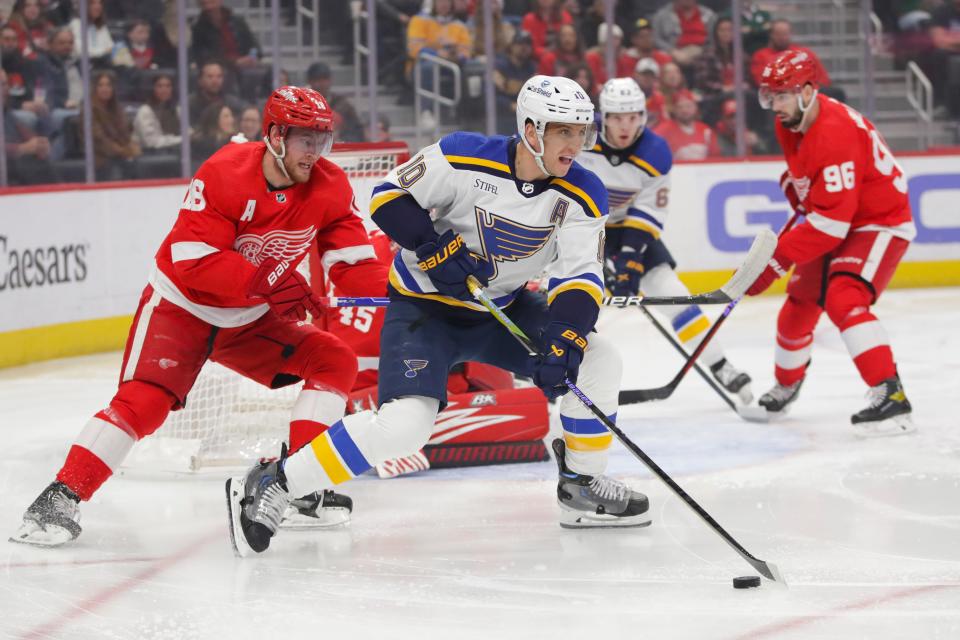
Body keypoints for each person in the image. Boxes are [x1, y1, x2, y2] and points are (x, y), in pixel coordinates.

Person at [226, 75, 651, 557]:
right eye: (564, 132)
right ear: (531, 130)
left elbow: (581, 277)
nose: (577, 144)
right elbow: (387, 197)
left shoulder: (583, 191)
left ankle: (582, 485)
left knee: (598, 358)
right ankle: (278, 480)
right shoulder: (462, 155)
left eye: (582, 132)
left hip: (503, 308)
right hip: (425, 311)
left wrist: (566, 336)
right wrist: (431, 247)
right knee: (404, 427)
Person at [11, 86, 385, 548]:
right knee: (144, 400)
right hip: (182, 307)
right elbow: (193, 260)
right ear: (274, 135)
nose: (316, 151)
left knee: (334, 360)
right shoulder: (225, 173)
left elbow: (354, 266)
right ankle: (59, 498)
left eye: (321, 139)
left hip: (248, 318)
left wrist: (405, 291)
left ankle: (299, 487)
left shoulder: (330, 186)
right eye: (305, 139)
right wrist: (270, 282)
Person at [745, 50, 915, 437]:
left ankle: (891, 394)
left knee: (844, 297)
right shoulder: (789, 122)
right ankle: (787, 384)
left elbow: (830, 225)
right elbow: (814, 192)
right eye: (770, 96)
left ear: (808, 90)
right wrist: (798, 186)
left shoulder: (834, 132)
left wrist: (776, 261)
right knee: (799, 303)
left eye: (782, 95)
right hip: (839, 217)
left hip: (878, 221)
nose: (775, 105)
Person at [578, 78, 753, 402]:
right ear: (604, 116)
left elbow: (647, 210)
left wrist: (629, 257)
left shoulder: (655, 150)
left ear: (643, 115)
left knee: (675, 296)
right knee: (573, 305)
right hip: (582, 229)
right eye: (616, 117)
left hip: (629, 230)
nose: (625, 125)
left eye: (632, 116)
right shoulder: (582, 136)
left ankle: (720, 364)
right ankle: (553, 371)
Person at [86, 70, 142, 181]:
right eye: (101, 85)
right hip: (99, 157)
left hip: (119, 154)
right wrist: (123, 151)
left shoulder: (117, 109)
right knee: (117, 169)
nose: (105, 89)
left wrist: (131, 146)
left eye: (108, 85)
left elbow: (125, 133)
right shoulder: (89, 110)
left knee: (141, 164)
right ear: (95, 88)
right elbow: (99, 140)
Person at [190, 0, 260, 70]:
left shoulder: (238, 22)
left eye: (212, 2)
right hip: (220, 72)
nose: (209, 7)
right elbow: (204, 58)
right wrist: (235, 62)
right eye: (204, 4)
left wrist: (252, 57)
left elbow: (254, 46)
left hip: (246, 69)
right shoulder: (199, 29)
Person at [305, 62, 365, 143]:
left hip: (339, 150)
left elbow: (357, 131)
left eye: (324, 79)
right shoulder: (303, 105)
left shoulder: (343, 105)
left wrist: (343, 140)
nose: (321, 84)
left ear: (330, 80)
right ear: (310, 82)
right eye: (317, 80)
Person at [654, 89, 721, 160]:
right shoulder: (664, 129)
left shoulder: (706, 130)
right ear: (674, 110)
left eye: (688, 106)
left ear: (695, 108)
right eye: (680, 107)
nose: (684, 110)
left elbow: (715, 157)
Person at [652, 0, 717, 71]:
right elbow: (656, 38)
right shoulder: (662, 16)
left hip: (703, 54)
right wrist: (672, 51)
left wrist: (703, 51)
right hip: (673, 55)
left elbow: (715, 39)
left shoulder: (709, 15)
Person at [133, 72, 181, 152]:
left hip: (172, 152)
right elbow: (151, 143)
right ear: (153, 89)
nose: (164, 90)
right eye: (160, 86)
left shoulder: (176, 109)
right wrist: (183, 140)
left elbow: (186, 131)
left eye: (168, 86)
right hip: (149, 154)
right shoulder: (145, 111)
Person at [69, 0, 113, 67]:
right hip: (86, 66)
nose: (98, 7)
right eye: (93, 3)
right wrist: (103, 52)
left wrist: (104, 52)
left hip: (104, 63)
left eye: (100, 3)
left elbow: (110, 47)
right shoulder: (75, 25)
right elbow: (80, 52)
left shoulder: (100, 25)